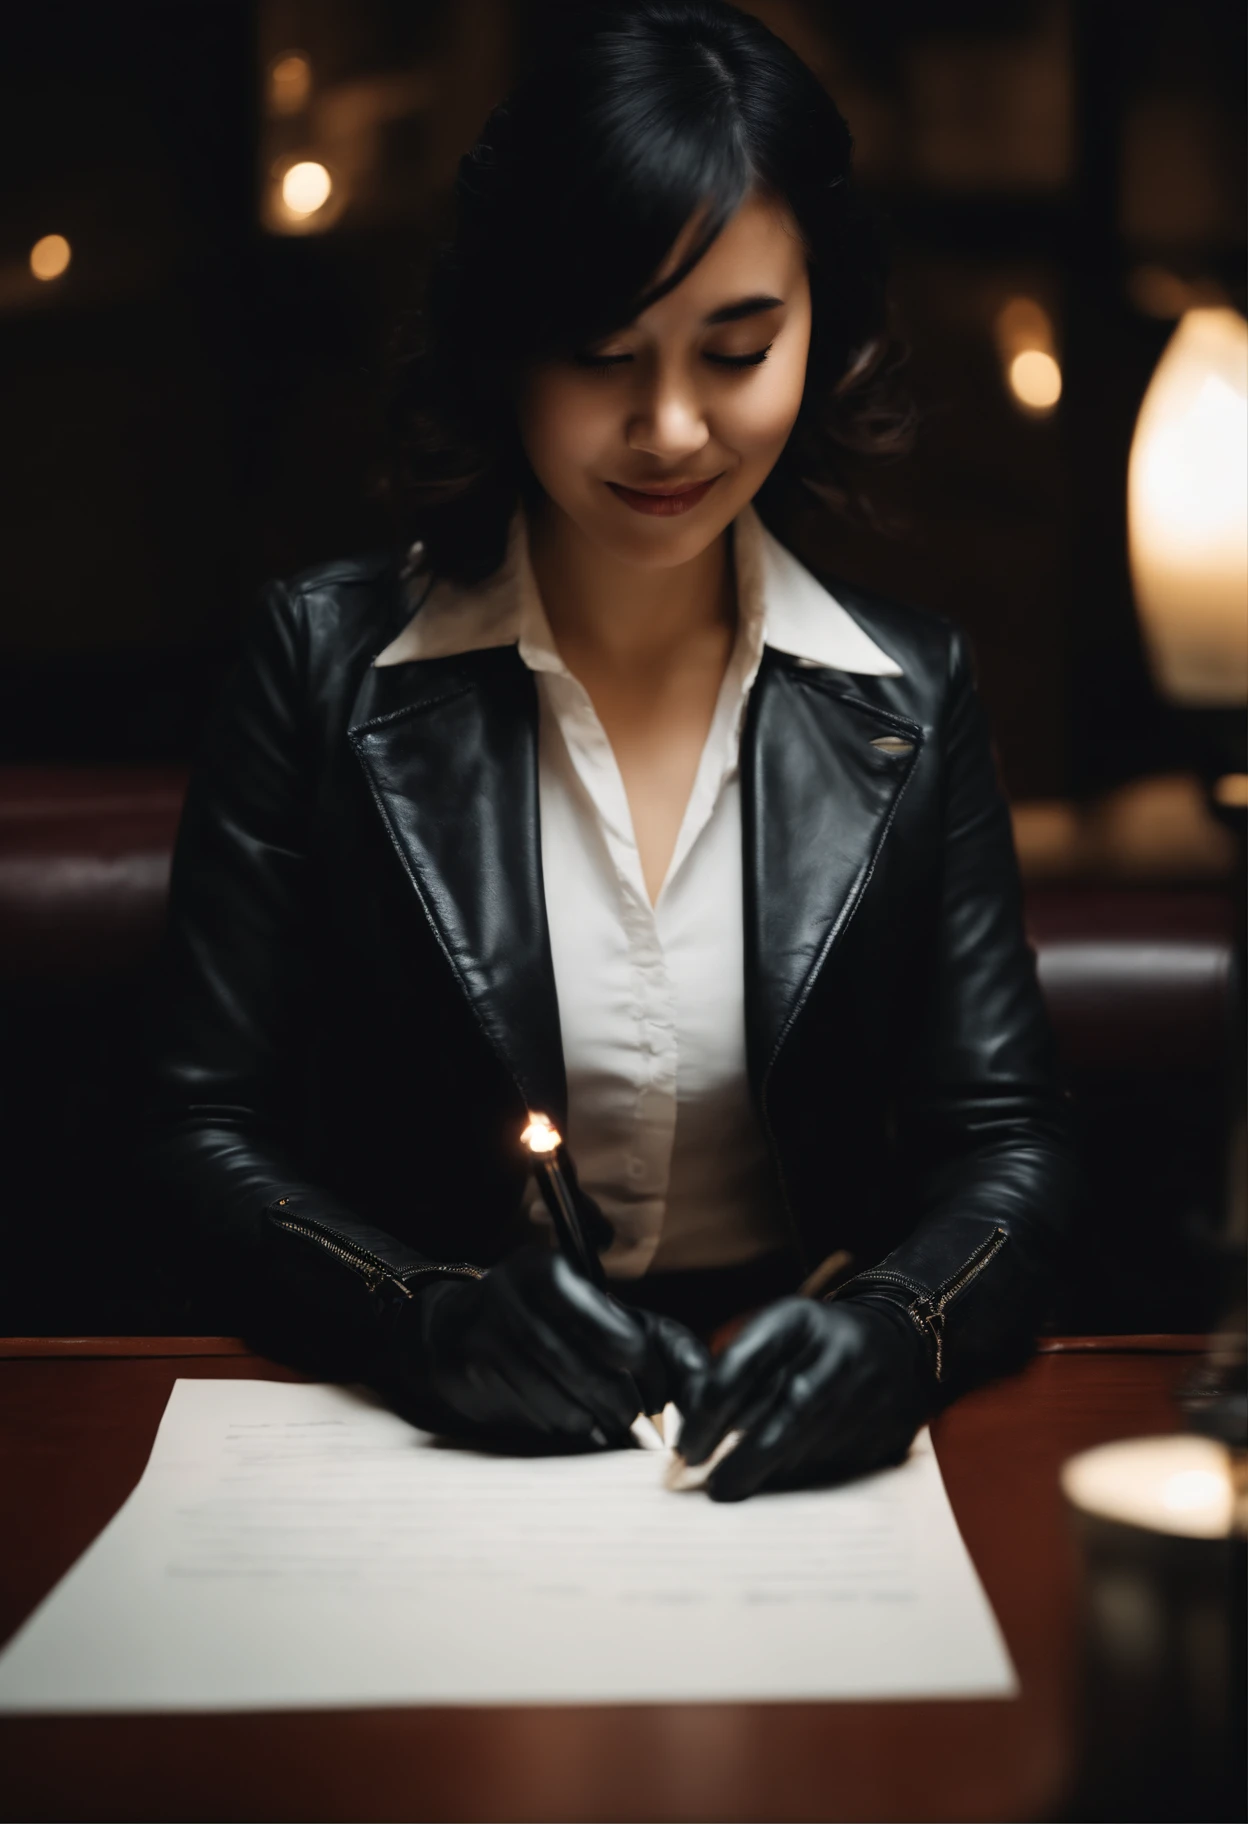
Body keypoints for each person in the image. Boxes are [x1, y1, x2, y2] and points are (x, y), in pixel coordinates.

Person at [143, 0, 1079, 1501]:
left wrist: (899, 1333)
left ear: (817, 326)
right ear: (503, 343)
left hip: (781, 1469)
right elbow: (195, 1136)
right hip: (423, 1459)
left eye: (737, 349)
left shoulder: (913, 687)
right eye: (600, 354)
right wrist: (425, 1318)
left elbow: (1012, 1150)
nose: (670, 428)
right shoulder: (316, 666)